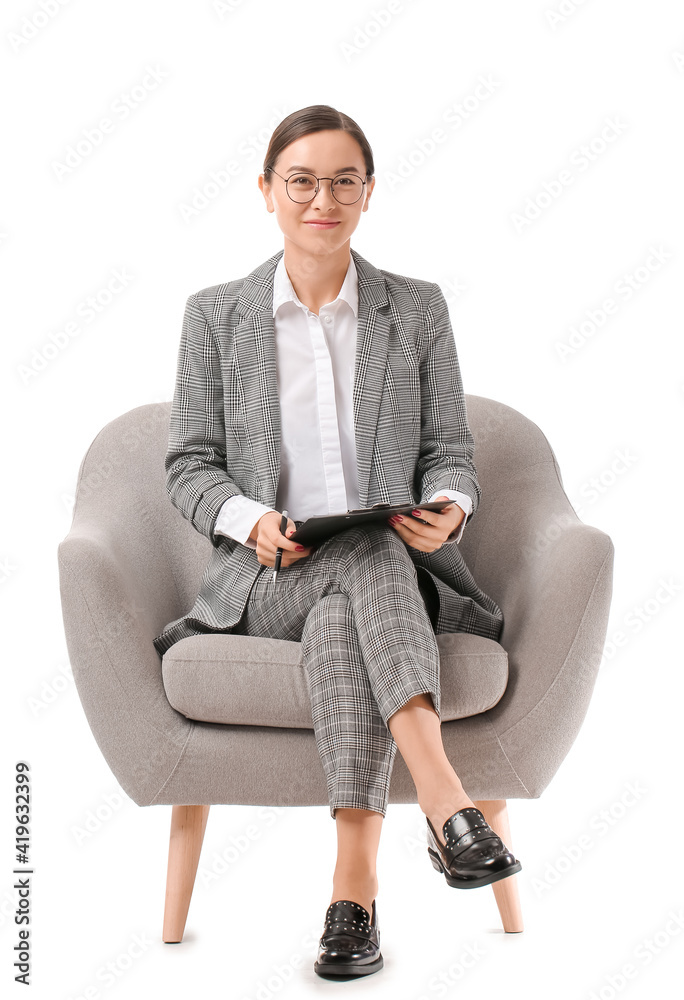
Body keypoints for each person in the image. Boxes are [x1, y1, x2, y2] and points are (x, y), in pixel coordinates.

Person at [153, 104, 521, 979]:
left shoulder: (416, 310)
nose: (324, 197)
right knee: (354, 560)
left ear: (367, 193)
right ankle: (444, 801)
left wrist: (450, 505)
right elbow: (188, 465)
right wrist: (253, 521)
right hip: (268, 575)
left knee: (355, 583)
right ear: (268, 192)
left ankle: (352, 898)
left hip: (387, 569)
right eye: (303, 180)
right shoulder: (216, 316)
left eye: (343, 179)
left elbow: (451, 454)